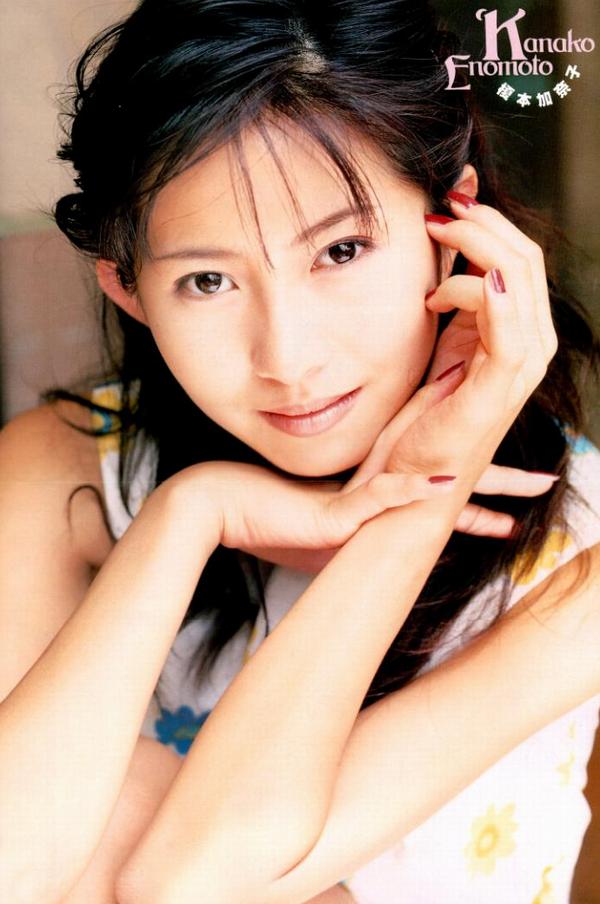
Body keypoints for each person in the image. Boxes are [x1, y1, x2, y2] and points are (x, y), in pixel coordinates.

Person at [0, 1, 599, 902]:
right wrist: (195, 509)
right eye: (207, 279)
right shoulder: (64, 468)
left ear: (453, 224)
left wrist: (418, 496)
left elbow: (192, 884)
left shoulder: (582, 561)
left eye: (342, 250)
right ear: (127, 287)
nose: (288, 357)